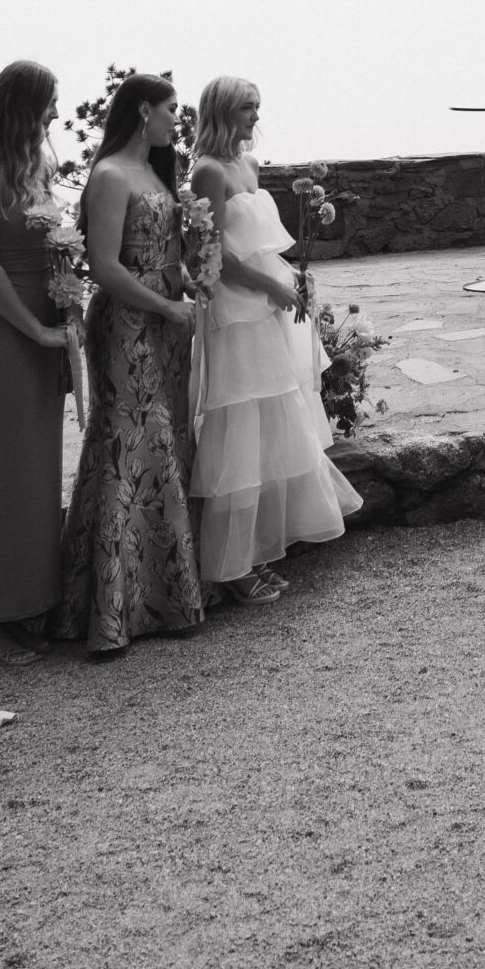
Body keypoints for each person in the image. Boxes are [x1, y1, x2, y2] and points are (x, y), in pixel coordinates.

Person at [187, 77, 361, 603]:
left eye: (258, 107)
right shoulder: (207, 172)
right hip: (235, 310)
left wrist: (291, 281)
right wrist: (270, 287)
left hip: (268, 305)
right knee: (238, 428)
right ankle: (230, 564)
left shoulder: (251, 167)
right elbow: (211, 255)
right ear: (221, 112)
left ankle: (258, 550)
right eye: (246, 108)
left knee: (270, 426)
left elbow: (262, 247)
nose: (255, 117)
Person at [53, 75, 206, 655]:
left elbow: (162, 250)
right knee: (130, 446)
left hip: (168, 327)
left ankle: (163, 594)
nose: (177, 119)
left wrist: (188, 280)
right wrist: (167, 304)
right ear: (143, 110)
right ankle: (111, 613)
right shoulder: (112, 174)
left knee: (165, 444)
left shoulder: (158, 170)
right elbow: (106, 268)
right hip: (128, 327)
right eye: (170, 109)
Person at [0, 61, 74, 667]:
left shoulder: (39, 170)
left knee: (39, 476)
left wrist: (69, 315)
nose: (56, 113)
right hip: (4, 334)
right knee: (2, 477)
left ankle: (26, 604)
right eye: (50, 103)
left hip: (48, 328)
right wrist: (36, 331)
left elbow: (56, 248)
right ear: (24, 105)